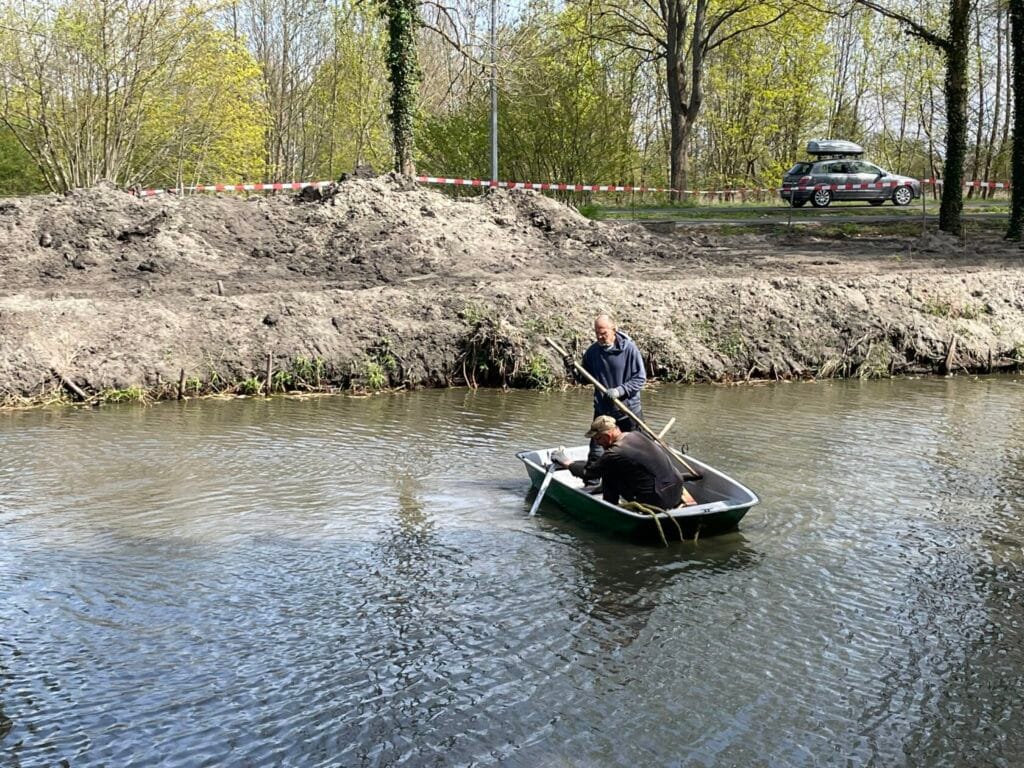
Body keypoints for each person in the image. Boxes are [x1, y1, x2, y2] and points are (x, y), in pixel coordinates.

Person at [550, 415, 684, 510]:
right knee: (612, 468)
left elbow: (588, 473)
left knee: (609, 473)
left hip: (657, 501)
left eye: (598, 439)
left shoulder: (615, 453)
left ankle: (609, 509)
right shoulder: (636, 435)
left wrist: (565, 462)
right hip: (677, 491)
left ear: (607, 436)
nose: (597, 443)